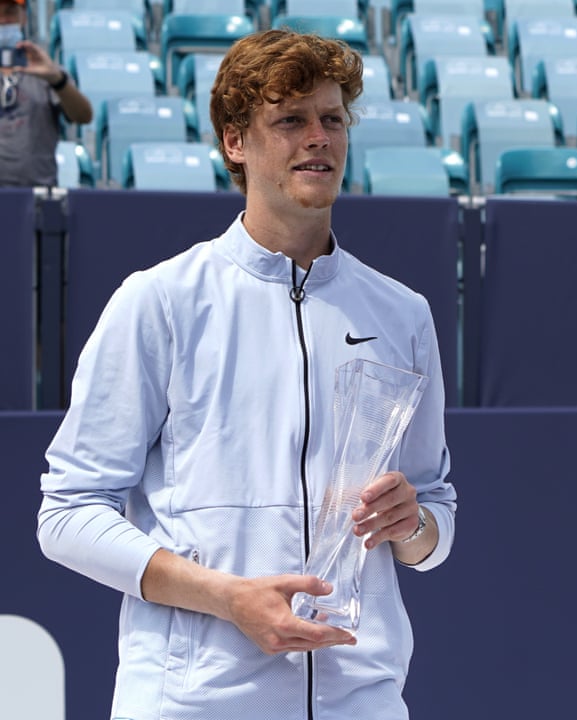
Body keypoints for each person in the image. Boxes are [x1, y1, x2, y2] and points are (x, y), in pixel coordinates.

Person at [36, 29, 456, 719]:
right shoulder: (161, 301)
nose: (317, 138)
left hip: (365, 699)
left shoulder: (403, 313)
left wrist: (415, 526)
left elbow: (434, 516)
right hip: (192, 702)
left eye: (331, 119)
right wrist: (228, 599)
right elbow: (68, 514)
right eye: (290, 120)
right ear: (236, 141)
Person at [0, 0, 92, 187]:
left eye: (10, 12)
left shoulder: (47, 71)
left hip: (37, 197)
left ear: (23, 17)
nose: (2, 20)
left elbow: (83, 116)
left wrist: (57, 80)